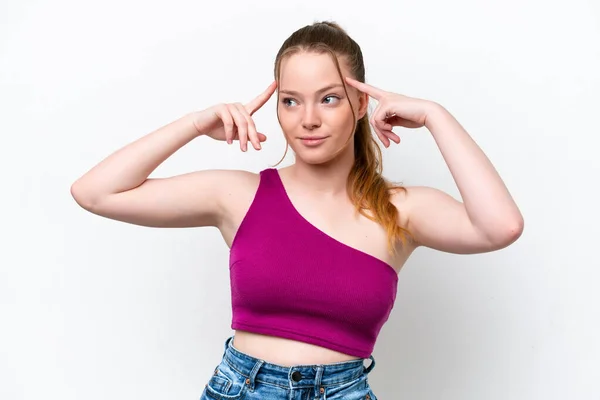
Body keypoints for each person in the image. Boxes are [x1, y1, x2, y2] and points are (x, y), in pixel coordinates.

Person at [71, 21, 524, 400]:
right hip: (241, 388)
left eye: (328, 97)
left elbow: (500, 226)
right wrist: (194, 124)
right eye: (291, 100)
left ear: (361, 104)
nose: (308, 119)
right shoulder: (239, 195)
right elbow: (95, 192)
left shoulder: (399, 210)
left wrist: (435, 115)